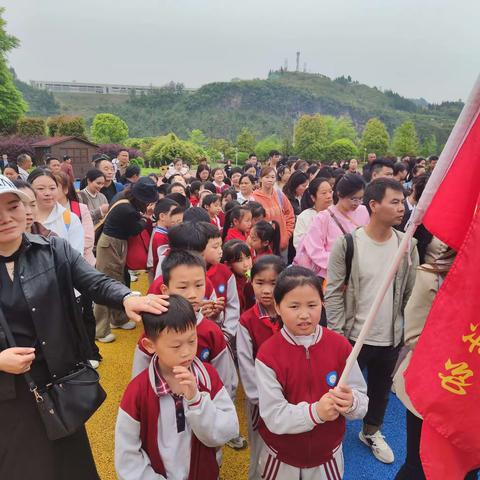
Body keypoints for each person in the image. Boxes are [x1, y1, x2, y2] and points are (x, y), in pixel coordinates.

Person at [0, 174, 168, 480]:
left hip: (57, 384)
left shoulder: (53, 250)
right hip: (10, 398)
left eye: (12, 206)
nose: (5, 218)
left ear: (25, 208)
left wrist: (127, 296)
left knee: (70, 465)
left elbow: (94, 281)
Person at [325, 178, 419, 464]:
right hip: (352, 336)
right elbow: (333, 292)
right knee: (339, 390)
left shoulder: (407, 245)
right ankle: (330, 437)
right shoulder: (349, 244)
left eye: (402, 201)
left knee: (380, 391)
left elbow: (410, 293)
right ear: (373, 205)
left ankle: (371, 431)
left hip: (390, 337)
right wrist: (338, 335)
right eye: (394, 201)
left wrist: (405, 331)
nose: (401, 207)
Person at [255, 266, 368, 479]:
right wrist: (316, 413)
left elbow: (362, 400)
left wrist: (351, 403)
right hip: (281, 458)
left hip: (327, 458)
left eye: (312, 305)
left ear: (322, 304)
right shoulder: (268, 354)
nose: (304, 314)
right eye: (294, 306)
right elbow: (273, 415)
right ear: (278, 307)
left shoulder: (340, 346)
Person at [115, 294, 239, 480]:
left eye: (192, 340)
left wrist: (197, 401)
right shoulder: (138, 392)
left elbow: (228, 430)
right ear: (150, 345)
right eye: (176, 346)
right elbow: (127, 456)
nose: (187, 352)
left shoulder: (207, 377)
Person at [132, 250, 238, 399]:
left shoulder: (211, 331)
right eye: (183, 287)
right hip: (162, 406)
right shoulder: (157, 330)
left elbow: (225, 378)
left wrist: (222, 408)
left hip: (204, 408)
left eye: (199, 285)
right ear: (165, 290)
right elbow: (139, 376)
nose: (192, 294)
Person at [236, 255, 285, 479]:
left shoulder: (292, 315)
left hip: (290, 398)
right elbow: (246, 367)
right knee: (260, 446)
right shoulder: (247, 322)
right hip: (261, 403)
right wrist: (262, 401)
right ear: (251, 282)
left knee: (285, 448)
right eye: (260, 282)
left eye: (273, 283)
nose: (266, 290)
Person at [94, 177, 159, 343]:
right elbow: (135, 229)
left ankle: (119, 319)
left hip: (114, 243)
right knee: (105, 285)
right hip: (111, 245)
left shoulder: (122, 197)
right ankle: (100, 330)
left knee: (119, 281)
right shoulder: (128, 210)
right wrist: (146, 218)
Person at [294, 173, 369, 280]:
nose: (357, 203)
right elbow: (315, 251)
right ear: (340, 194)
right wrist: (343, 262)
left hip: (360, 274)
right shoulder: (323, 218)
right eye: (353, 199)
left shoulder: (364, 211)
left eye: (360, 199)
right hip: (333, 276)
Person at [28, 168, 84, 255]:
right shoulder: (21, 219)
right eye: (41, 188)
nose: (47, 193)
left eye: (52, 188)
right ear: (29, 190)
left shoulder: (70, 219)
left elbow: (76, 256)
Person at [252, 167, 295, 262]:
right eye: (266, 177)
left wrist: (286, 235)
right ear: (260, 179)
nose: (270, 180)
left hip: (282, 245)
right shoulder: (254, 197)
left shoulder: (279, 195)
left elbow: (290, 214)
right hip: (264, 248)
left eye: (272, 177)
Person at [293, 177, 333, 249]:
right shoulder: (304, 217)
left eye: (330, 192)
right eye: (324, 193)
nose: (329, 196)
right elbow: (299, 245)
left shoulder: (337, 213)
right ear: (313, 197)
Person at [148, 198, 180, 279]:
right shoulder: (161, 237)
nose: (177, 218)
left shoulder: (162, 232)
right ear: (162, 216)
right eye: (174, 214)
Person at [221, 239, 254, 314]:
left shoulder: (250, 275)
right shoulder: (232, 286)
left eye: (248, 257)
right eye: (239, 260)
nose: (246, 264)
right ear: (228, 264)